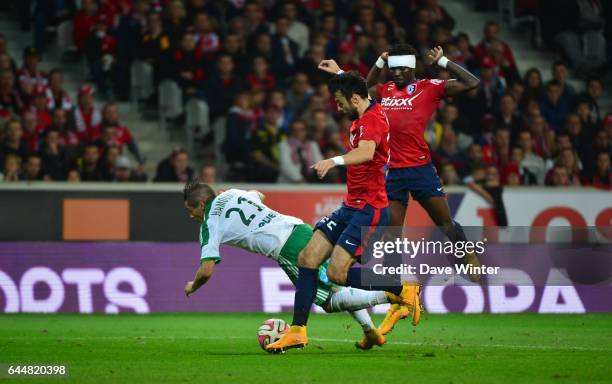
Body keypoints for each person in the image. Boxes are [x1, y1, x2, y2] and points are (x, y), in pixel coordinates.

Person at [267, 72, 421, 354]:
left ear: (353, 100)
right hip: (350, 206)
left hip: (370, 208)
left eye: (339, 102)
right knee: (308, 257)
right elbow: (359, 86)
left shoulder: (372, 119)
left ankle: (401, 288)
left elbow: (364, 153)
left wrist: (333, 160)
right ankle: (298, 332)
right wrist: (340, 73)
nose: (337, 108)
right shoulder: (366, 106)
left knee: (337, 273)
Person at [182, 182, 398, 350]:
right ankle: (371, 332)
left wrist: (193, 285)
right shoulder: (230, 194)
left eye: (190, 210)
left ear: (201, 204)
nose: (190, 216)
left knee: (328, 301)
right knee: (337, 280)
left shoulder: (209, 224)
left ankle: (393, 294)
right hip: (300, 229)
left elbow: (207, 269)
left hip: (287, 249)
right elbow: (259, 195)